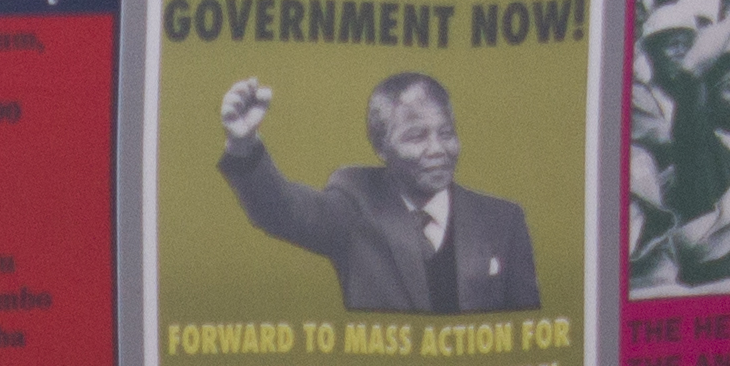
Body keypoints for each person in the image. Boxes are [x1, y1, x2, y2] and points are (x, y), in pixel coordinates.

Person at [216, 71, 541, 316]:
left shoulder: (503, 221)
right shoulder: (356, 202)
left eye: (446, 133)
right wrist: (244, 145)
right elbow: (281, 211)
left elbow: (526, 332)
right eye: (416, 137)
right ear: (381, 147)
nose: (437, 149)